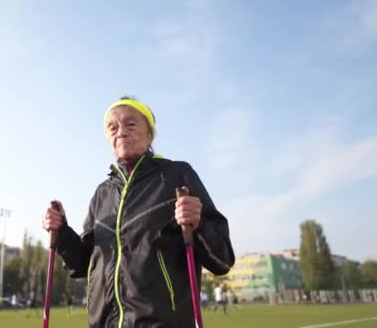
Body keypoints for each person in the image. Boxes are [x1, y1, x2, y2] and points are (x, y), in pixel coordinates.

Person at [42, 96, 235, 327]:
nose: (120, 132)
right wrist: (61, 231)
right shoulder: (102, 193)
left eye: (130, 124)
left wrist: (199, 223)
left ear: (150, 135)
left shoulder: (177, 174)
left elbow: (222, 260)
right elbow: (83, 264)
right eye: (112, 127)